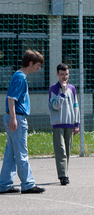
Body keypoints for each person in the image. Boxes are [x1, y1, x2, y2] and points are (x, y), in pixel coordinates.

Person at [0, 50, 46, 194]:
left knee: (11, 154)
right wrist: (13, 118)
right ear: (30, 63)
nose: (39, 69)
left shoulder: (18, 76)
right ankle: (28, 184)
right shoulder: (20, 77)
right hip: (17, 118)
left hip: (14, 117)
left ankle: (4, 184)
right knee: (21, 153)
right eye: (38, 65)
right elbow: (11, 98)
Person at [48, 63, 80, 185]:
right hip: (58, 124)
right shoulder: (54, 89)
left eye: (66, 74)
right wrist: (62, 92)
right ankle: (63, 176)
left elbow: (75, 106)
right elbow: (55, 106)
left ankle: (65, 172)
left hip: (69, 123)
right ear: (57, 74)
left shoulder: (72, 88)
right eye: (62, 75)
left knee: (67, 150)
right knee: (60, 150)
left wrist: (76, 123)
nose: (65, 77)